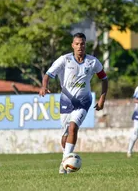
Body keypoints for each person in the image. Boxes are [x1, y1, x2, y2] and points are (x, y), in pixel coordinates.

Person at [39, 33, 108, 174]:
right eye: (77, 44)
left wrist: (102, 98)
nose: (80, 46)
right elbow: (48, 74)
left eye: (82, 44)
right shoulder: (64, 60)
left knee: (73, 127)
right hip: (66, 101)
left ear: (85, 45)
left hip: (84, 101)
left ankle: (65, 163)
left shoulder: (93, 62)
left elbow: (104, 79)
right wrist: (43, 86)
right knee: (65, 136)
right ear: (72, 45)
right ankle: (65, 159)